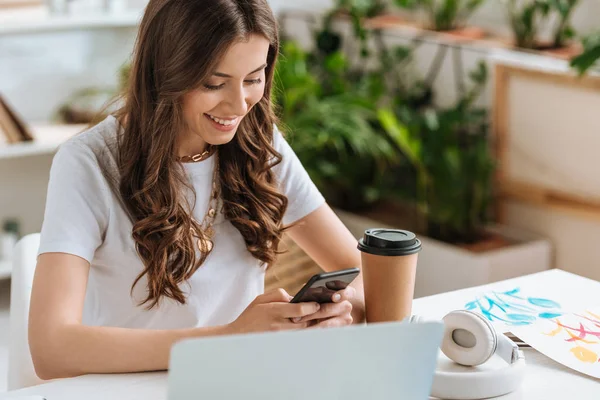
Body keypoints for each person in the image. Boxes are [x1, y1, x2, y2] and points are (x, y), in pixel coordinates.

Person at [28, 0, 365, 380]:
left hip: (239, 381)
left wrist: (336, 311)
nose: (239, 105)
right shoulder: (90, 162)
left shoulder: (258, 143)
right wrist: (228, 337)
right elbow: (50, 348)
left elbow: (359, 272)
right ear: (165, 72)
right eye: (214, 83)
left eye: (254, 79)